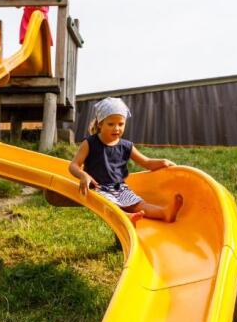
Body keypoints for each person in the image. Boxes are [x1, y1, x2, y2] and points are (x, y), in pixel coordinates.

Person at [68, 97, 184, 226]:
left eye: (121, 124)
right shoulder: (90, 143)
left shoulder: (126, 146)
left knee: (138, 204)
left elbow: (146, 162)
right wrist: (83, 175)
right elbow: (73, 165)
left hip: (119, 188)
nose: (116, 128)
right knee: (108, 203)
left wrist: (162, 162)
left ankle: (164, 213)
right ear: (100, 124)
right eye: (111, 124)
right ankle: (126, 217)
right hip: (97, 189)